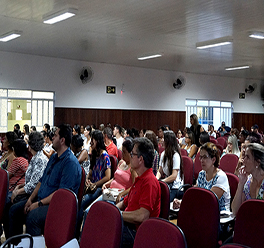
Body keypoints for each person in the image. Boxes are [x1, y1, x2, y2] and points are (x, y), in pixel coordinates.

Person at [22, 124, 82, 236]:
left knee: (32, 217)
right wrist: (31, 199)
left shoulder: (70, 163)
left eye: (55, 135)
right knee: (14, 209)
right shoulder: (54, 157)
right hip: (42, 200)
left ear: (62, 140)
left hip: (58, 206)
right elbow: (41, 180)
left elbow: (61, 194)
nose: (52, 138)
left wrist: (39, 204)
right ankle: (17, 243)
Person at [80, 138, 137, 232]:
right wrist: (106, 184)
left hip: (118, 196)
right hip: (109, 192)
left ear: (131, 153)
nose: (122, 154)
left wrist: (122, 194)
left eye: (124, 152)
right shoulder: (121, 162)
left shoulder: (133, 168)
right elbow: (114, 178)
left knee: (99, 214)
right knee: (88, 211)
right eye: (122, 151)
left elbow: (134, 187)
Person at [116, 137, 161, 248]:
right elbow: (124, 203)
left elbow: (142, 216)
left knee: (105, 233)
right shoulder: (139, 179)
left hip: (138, 233)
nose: (130, 157)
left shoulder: (150, 182)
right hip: (128, 224)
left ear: (140, 159)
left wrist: (118, 214)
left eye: (132, 154)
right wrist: (112, 210)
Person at [3, 131, 48, 238]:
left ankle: (16, 241)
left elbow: (34, 185)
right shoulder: (34, 158)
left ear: (32, 144)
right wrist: (19, 187)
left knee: (13, 209)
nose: (26, 145)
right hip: (29, 192)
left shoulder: (40, 159)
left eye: (28, 142)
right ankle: (11, 240)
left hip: (35, 195)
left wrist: (17, 191)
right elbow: (29, 181)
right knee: (6, 204)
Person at [173, 142, 230, 212]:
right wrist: (182, 201)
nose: (202, 160)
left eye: (205, 157)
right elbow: (195, 195)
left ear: (213, 160)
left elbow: (208, 201)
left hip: (220, 215)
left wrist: (185, 203)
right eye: (201, 157)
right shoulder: (201, 174)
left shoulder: (221, 177)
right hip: (203, 210)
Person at [79, 130, 111, 224]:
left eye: (92, 140)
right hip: (92, 184)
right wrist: (88, 180)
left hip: (99, 187)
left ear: (98, 141)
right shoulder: (94, 154)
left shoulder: (105, 156)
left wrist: (94, 184)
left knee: (82, 203)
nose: (91, 142)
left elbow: (107, 177)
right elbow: (90, 172)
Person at [232, 143, 264, 215]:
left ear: (257, 162)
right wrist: (241, 183)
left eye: (247, 157)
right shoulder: (248, 182)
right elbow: (235, 211)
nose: (243, 161)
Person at [156, 130, 183, 202]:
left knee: (163, 201)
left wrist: (162, 181)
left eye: (163, 138)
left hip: (175, 187)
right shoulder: (163, 154)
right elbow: (160, 171)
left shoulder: (175, 155)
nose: (161, 140)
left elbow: (174, 176)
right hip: (167, 184)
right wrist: (156, 179)